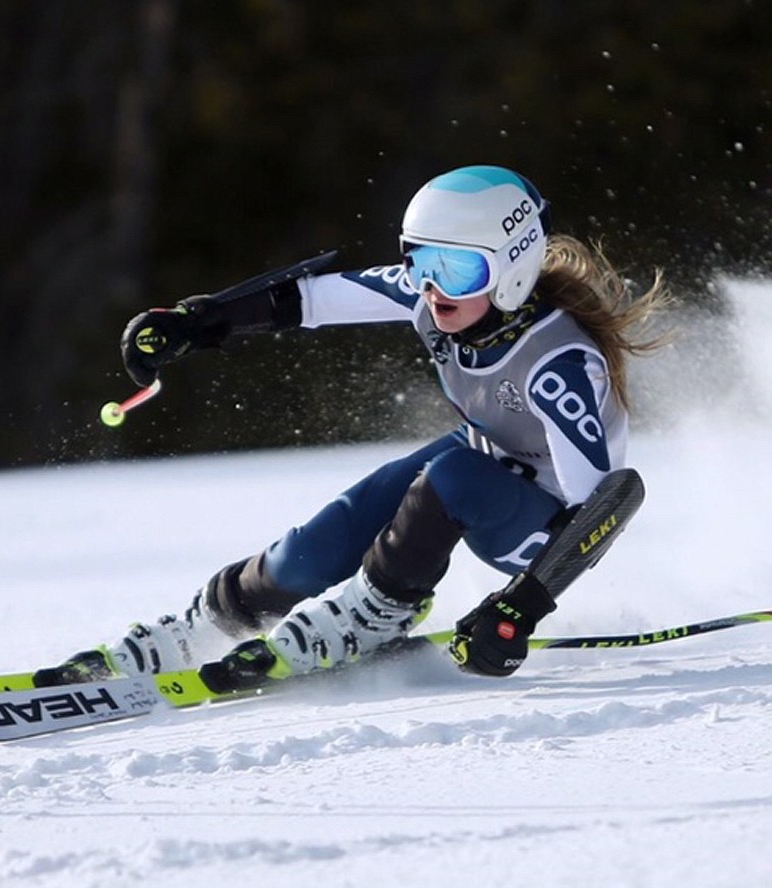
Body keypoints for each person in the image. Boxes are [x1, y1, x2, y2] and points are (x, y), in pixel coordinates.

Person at [38, 164, 670, 688]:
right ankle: (205, 625)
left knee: (451, 473)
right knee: (315, 547)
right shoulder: (435, 301)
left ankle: (379, 608)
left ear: (513, 269)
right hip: (473, 468)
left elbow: (606, 506)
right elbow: (312, 299)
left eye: (456, 271)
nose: (430, 288)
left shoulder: (558, 365)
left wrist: (520, 609)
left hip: (541, 533)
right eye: (420, 263)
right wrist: (198, 322)